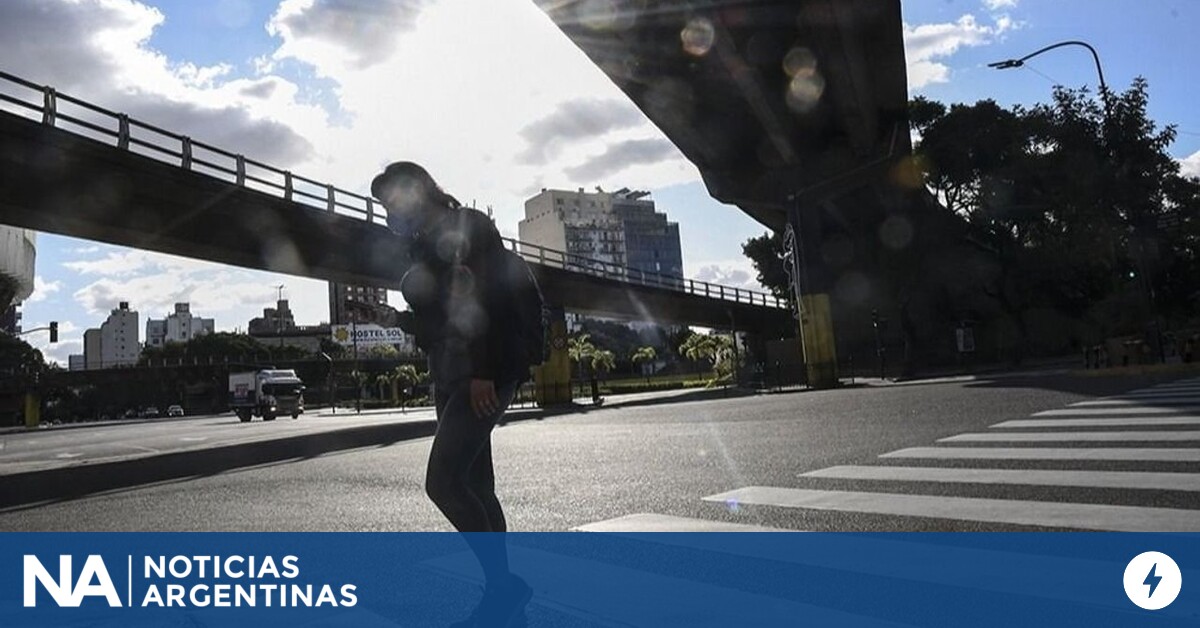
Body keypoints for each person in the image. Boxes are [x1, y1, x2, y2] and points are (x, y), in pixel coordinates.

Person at [363, 161, 532, 627]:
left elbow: (489, 300)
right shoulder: (423, 249)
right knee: (477, 486)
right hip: (450, 374)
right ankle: (503, 601)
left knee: (442, 482)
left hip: (484, 372)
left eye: (392, 199)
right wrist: (394, 321)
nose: (390, 212)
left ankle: (505, 588)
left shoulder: (470, 226)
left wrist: (483, 370)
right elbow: (439, 322)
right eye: (383, 206)